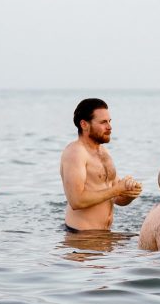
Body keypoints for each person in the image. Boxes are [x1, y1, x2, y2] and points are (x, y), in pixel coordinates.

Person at [60, 98, 143, 232]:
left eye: (109, 121)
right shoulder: (75, 153)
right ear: (84, 124)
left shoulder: (104, 152)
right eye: (103, 122)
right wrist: (117, 190)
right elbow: (76, 201)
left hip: (104, 234)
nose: (109, 127)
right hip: (80, 238)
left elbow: (116, 198)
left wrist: (129, 194)